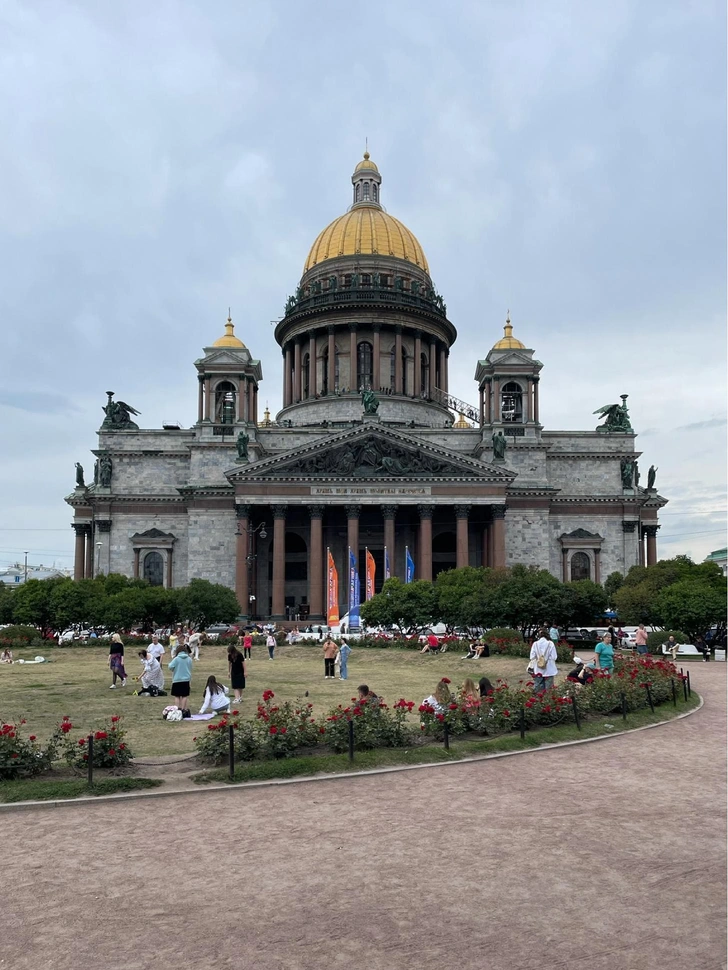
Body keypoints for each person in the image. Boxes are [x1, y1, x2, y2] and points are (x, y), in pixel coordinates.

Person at [529, 628, 558, 692]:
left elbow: (532, 657)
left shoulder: (535, 644)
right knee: (549, 689)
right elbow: (554, 657)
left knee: (538, 688)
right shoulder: (550, 644)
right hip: (549, 669)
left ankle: (537, 700)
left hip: (538, 669)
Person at [168, 643, 193, 710]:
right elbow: (190, 668)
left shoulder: (176, 659)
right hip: (186, 680)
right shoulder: (189, 659)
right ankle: (183, 709)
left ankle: (177, 709)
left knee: (177, 696)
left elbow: (170, 667)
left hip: (177, 679)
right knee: (184, 696)